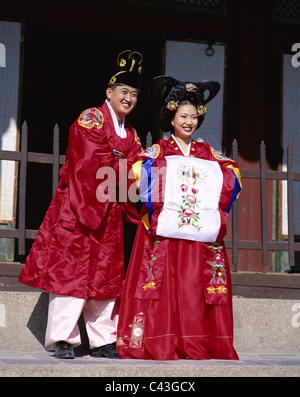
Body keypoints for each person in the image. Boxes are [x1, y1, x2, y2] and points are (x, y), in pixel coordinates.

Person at [18, 50, 144, 359]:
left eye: (134, 94)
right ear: (109, 93)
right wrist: (123, 167)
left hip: (110, 211)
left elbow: (139, 165)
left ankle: (103, 339)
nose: (128, 98)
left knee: (106, 275)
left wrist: (135, 171)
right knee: (71, 273)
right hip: (79, 205)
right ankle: (63, 338)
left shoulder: (131, 133)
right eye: (123, 92)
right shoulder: (92, 118)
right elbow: (87, 160)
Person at [116, 76, 242, 360]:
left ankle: (195, 341)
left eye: (194, 117)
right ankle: (159, 341)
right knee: (161, 288)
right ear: (171, 118)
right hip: (164, 236)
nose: (189, 122)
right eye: (183, 116)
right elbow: (136, 173)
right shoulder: (158, 151)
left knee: (194, 290)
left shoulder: (207, 153)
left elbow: (233, 174)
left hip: (197, 239)